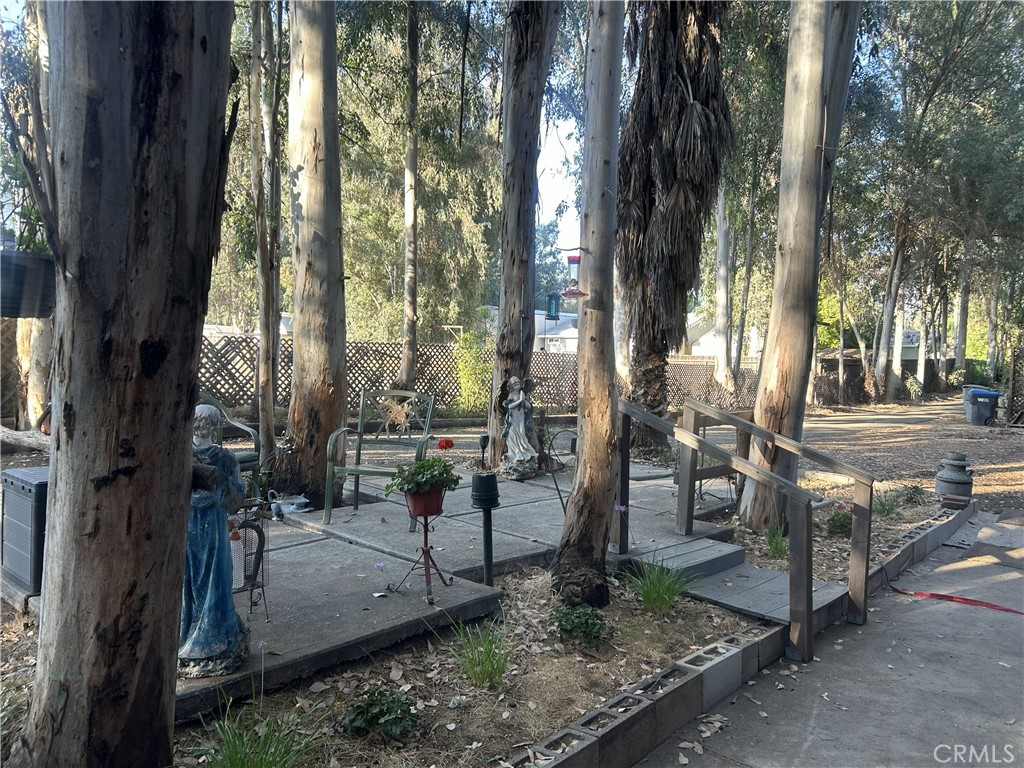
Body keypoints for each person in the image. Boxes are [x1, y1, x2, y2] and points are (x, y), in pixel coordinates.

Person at [179, 404, 250, 678]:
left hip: (192, 526)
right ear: (215, 425)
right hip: (209, 528)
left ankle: (192, 634)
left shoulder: (182, 456)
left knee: (194, 578)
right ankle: (212, 638)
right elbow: (237, 497)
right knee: (213, 578)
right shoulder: (224, 459)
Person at [501, 376, 538, 478]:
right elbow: (509, 406)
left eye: (518, 383)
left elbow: (528, 406)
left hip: (520, 419)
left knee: (522, 437)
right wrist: (519, 401)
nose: (517, 385)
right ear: (511, 386)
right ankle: (516, 455)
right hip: (513, 419)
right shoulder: (511, 395)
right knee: (512, 437)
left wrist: (524, 401)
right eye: (515, 384)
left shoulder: (522, 394)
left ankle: (526, 455)